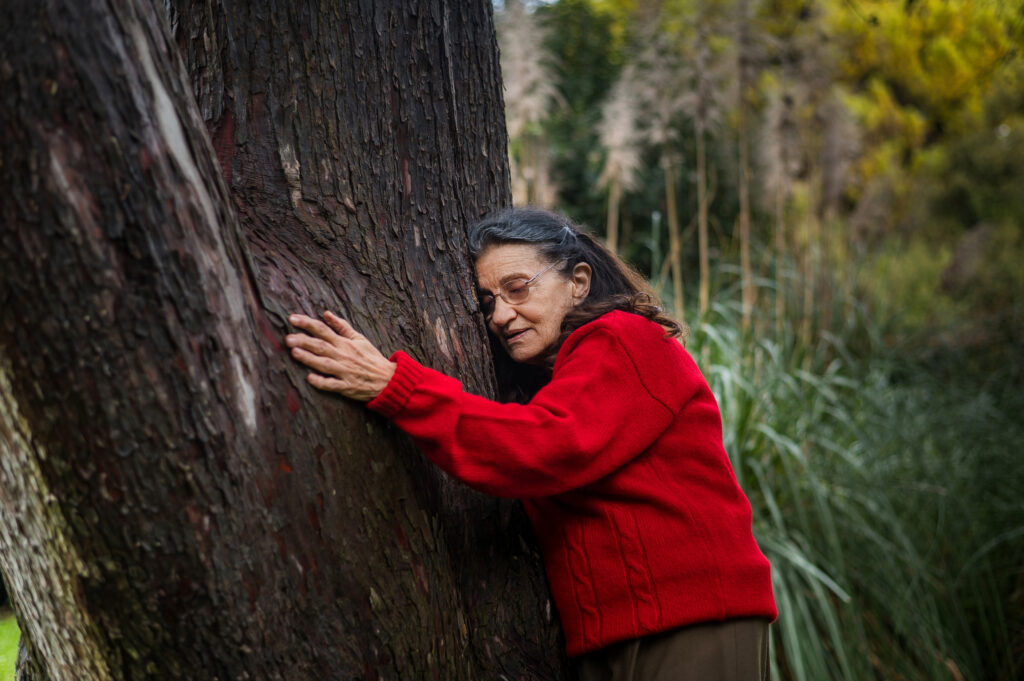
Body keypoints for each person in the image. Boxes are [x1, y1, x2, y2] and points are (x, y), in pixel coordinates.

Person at [285, 208, 777, 680]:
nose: (500, 315)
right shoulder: (555, 377)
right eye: (487, 303)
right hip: (615, 637)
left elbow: (548, 445)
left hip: (693, 621)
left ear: (578, 282)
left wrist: (397, 387)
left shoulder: (624, 338)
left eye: (517, 288)